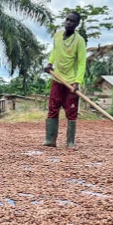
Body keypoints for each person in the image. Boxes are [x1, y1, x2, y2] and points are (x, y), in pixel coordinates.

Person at [43, 11, 86, 149]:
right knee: (53, 107)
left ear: (77, 24)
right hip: (58, 78)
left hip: (71, 82)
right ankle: (50, 140)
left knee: (71, 111)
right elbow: (55, 51)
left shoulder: (79, 41)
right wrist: (50, 63)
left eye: (72, 21)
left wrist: (77, 82)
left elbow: (81, 63)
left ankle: (70, 142)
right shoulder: (57, 35)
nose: (68, 22)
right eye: (67, 19)